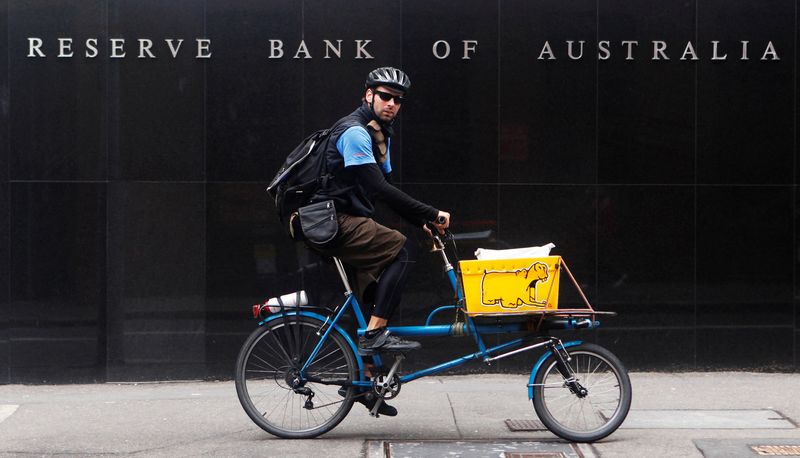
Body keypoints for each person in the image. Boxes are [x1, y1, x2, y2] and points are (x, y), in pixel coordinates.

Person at [306, 67, 450, 415]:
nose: (391, 104)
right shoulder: (356, 132)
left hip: (341, 219)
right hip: (329, 220)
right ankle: (374, 335)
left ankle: (365, 383)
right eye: (385, 96)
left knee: (371, 291)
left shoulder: (379, 134)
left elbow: (384, 197)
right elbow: (377, 189)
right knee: (400, 249)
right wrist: (431, 214)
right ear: (367, 94)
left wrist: (422, 222)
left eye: (398, 100)